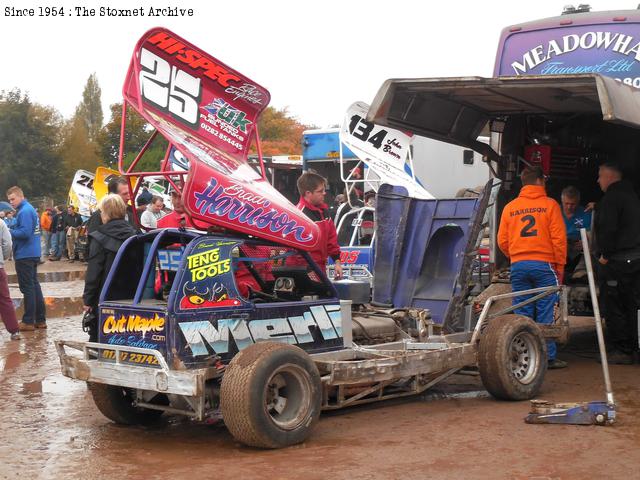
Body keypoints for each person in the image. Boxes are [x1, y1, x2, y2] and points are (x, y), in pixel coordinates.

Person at [497, 167, 567, 369]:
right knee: (546, 310)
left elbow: (502, 240)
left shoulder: (510, 208)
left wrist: (516, 255)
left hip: (518, 265)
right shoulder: (550, 205)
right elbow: (559, 240)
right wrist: (560, 266)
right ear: (540, 181)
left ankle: (526, 357)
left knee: (523, 312)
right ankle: (548, 358)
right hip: (544, 265)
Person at [594, 163, 640, 364]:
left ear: (609, 177)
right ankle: (633, 346)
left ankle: (622, 349)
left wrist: (604, 254)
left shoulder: (611, 198)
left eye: (600, 176)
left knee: (615, 305)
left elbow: (608, 229)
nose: (597, 180)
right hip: (635, 259)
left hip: (618, 261)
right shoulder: (632, 196)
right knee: (632, 304)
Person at [83, 194, 137, 342]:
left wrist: (87, 299)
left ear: (105, 213)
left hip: (105, 296)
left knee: (98, 339)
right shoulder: (136, 236)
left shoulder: (98, 237)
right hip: (133, 296)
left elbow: (94, 272)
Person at [6, 186, 46, 331]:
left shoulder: (25, 211)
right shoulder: (27, 209)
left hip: (25, 254)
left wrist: (8, 231)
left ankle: (28, 321)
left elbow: (25, 233)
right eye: (9, 200)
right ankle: (40, 319)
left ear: (21, 196)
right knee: (34, 286)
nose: (11, 202)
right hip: (31, 252)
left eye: (13, 199)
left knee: (28, 287)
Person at [296, 172, 342, 278]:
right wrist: (308, 272)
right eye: (320, 191)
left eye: (324, 190)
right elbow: (295, 250)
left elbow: (332, 240)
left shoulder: (324, 211)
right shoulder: (298, 215)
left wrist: (337, 262)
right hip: (305, 271)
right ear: (308, 193)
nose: (324, 193)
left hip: (320, 268)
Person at [560, 186, 592, 278]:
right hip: (560, 249)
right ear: (562, 201)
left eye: (572, 204)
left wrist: (586, 242)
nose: (569, 207)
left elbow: (591, 236)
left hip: (579, 250)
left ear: (578, 202)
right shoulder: (555, 211)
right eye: (566, 203)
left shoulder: (585, 213)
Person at [0, 219, 20, 340]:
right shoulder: (1, 223)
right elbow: (7, 244)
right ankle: (14, 331)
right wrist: (3, 258)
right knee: (4, 299)